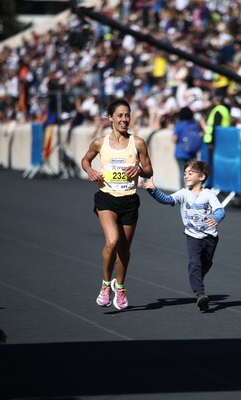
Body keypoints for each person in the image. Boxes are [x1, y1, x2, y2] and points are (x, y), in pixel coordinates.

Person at [80, 99, 153, 311]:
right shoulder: (99, 143)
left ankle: (119, 287)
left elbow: (149, 171)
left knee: (124, 249)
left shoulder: (137, 143)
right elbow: (85, 160)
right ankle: (105, 285)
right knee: (112, 241)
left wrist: (138, 171)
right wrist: (90, 171)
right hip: (106, 198)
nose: (124, 119)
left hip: (129, 200)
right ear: (110, 117)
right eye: (120, 115)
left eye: (127, 115)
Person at [141, 160, 225, 312]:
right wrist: (153, 190)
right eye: (185, 173)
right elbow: (167, 200)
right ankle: (200, 295)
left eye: (190, 173)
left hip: (210, 237)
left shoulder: (209, 195)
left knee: (205, 264)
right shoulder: (183, 193)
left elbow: (220, 210)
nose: (186, 176)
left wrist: (216, 218)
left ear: (202, 177)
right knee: (194, 264)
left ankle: (198, 279)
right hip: (192, 236)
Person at [173, 106, 202, 187]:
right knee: (192, 173)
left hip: (180, 152)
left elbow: (174, 139)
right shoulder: (195, 125)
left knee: (183, 173)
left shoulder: (180, 125)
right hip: (192, 152)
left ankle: (183, 192)